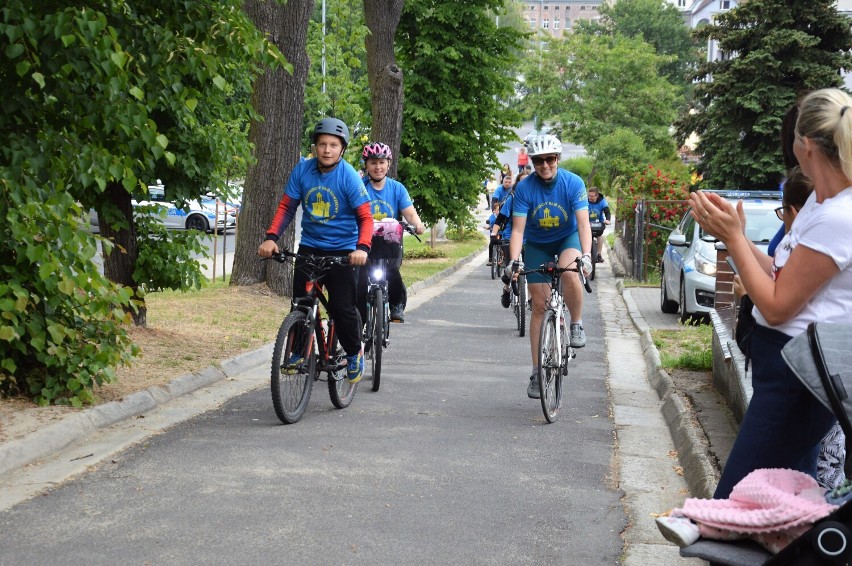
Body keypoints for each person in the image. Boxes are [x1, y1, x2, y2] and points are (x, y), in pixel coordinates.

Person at [690, 88, 852, 499]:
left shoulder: (838, 215)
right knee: (780, 506)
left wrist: (732, 238)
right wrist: (738, 237)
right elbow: (782, 273)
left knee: (734, 502)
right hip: (784, 366)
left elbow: (778, 306)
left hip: (797, 375)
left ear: (807, 145)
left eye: (794, 136)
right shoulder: (820, 197)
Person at [258, 117, 372, 384]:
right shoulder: (302, 171)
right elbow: (287, 207)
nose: (327, 150)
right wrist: (272, 237)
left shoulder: (349, 177)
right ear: (315, 147)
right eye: (322, 144)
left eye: (333, 145)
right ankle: (298, 352)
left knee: (342, 308)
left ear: (342, 149)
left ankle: (354, 353)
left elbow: (365, 218)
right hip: (310, 248)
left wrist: (362, 248)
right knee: (301, 302)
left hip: (344, 252)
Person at [507, 134, 593, 399]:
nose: (545, 165)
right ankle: (536, 371)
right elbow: (518, 231)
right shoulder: (525, 188)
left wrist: (587, 254)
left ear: (557, 159)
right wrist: (514, 261)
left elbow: (582, 224)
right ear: (532, 162)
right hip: (538, 245)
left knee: (569, 272)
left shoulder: (573, 183)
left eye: (550, 159)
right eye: (539, 161)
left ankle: (576, 323)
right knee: (539, 307)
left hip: (567, 239)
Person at [356, 141, 426, 324]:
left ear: (388, 164)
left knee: (392, 271)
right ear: (366, 165)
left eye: (381, 162)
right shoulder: (359, 187)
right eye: (373, 162)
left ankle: (396, 305)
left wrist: (417, 224)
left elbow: (409, 213)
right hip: (365, 242)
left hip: (389, 242)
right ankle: (359, 317)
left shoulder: (397, 188)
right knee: (360, 278)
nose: (377, 167)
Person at [493, 171, 529, 308]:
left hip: (529, 238)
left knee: (532, 269)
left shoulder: (535, 198)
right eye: (522, 182)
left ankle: (530, 297)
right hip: (511, 236)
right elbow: (500, 218)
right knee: (510, 268)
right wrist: (493, 234)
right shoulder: (512, 199)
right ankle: (507, 289)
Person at [586, 187, 611, 263]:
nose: (590, 197)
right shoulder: (585, 201)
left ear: (597, 196)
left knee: (600, 236)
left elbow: (607, 211)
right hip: (587, 223)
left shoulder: (602, 201)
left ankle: (599, 255)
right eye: (589, 195)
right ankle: (585, 254)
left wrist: (607, 220)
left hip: (598, 223)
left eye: (592, 196)